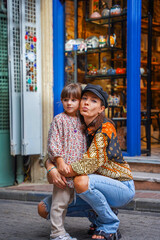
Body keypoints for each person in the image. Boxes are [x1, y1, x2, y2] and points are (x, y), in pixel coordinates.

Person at [38, 84, 135, 240]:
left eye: (93, 101)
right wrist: (51, 168)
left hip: (120, 186)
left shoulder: (105, 128)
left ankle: (109, 224)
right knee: (44, 208)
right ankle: (98, 216)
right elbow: (52, 149)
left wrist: (60, 170)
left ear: (101, 108)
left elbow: (89, 164)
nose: (86, 103)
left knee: (81, 181)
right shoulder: (74, 123)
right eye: (84, 98)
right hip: (84, 181)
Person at [46, 83, 87, 240]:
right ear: (61, 101)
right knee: (59, 204)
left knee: (78, 200)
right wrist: (59, 162)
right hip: (63, 172)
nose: (69, 103)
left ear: (80, 102)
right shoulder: (59, 120)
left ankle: (96, 223)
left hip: (79, 172)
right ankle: (57, 233)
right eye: (65, 99)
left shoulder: (83, 121)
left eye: (73, 100)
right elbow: (53, 143)